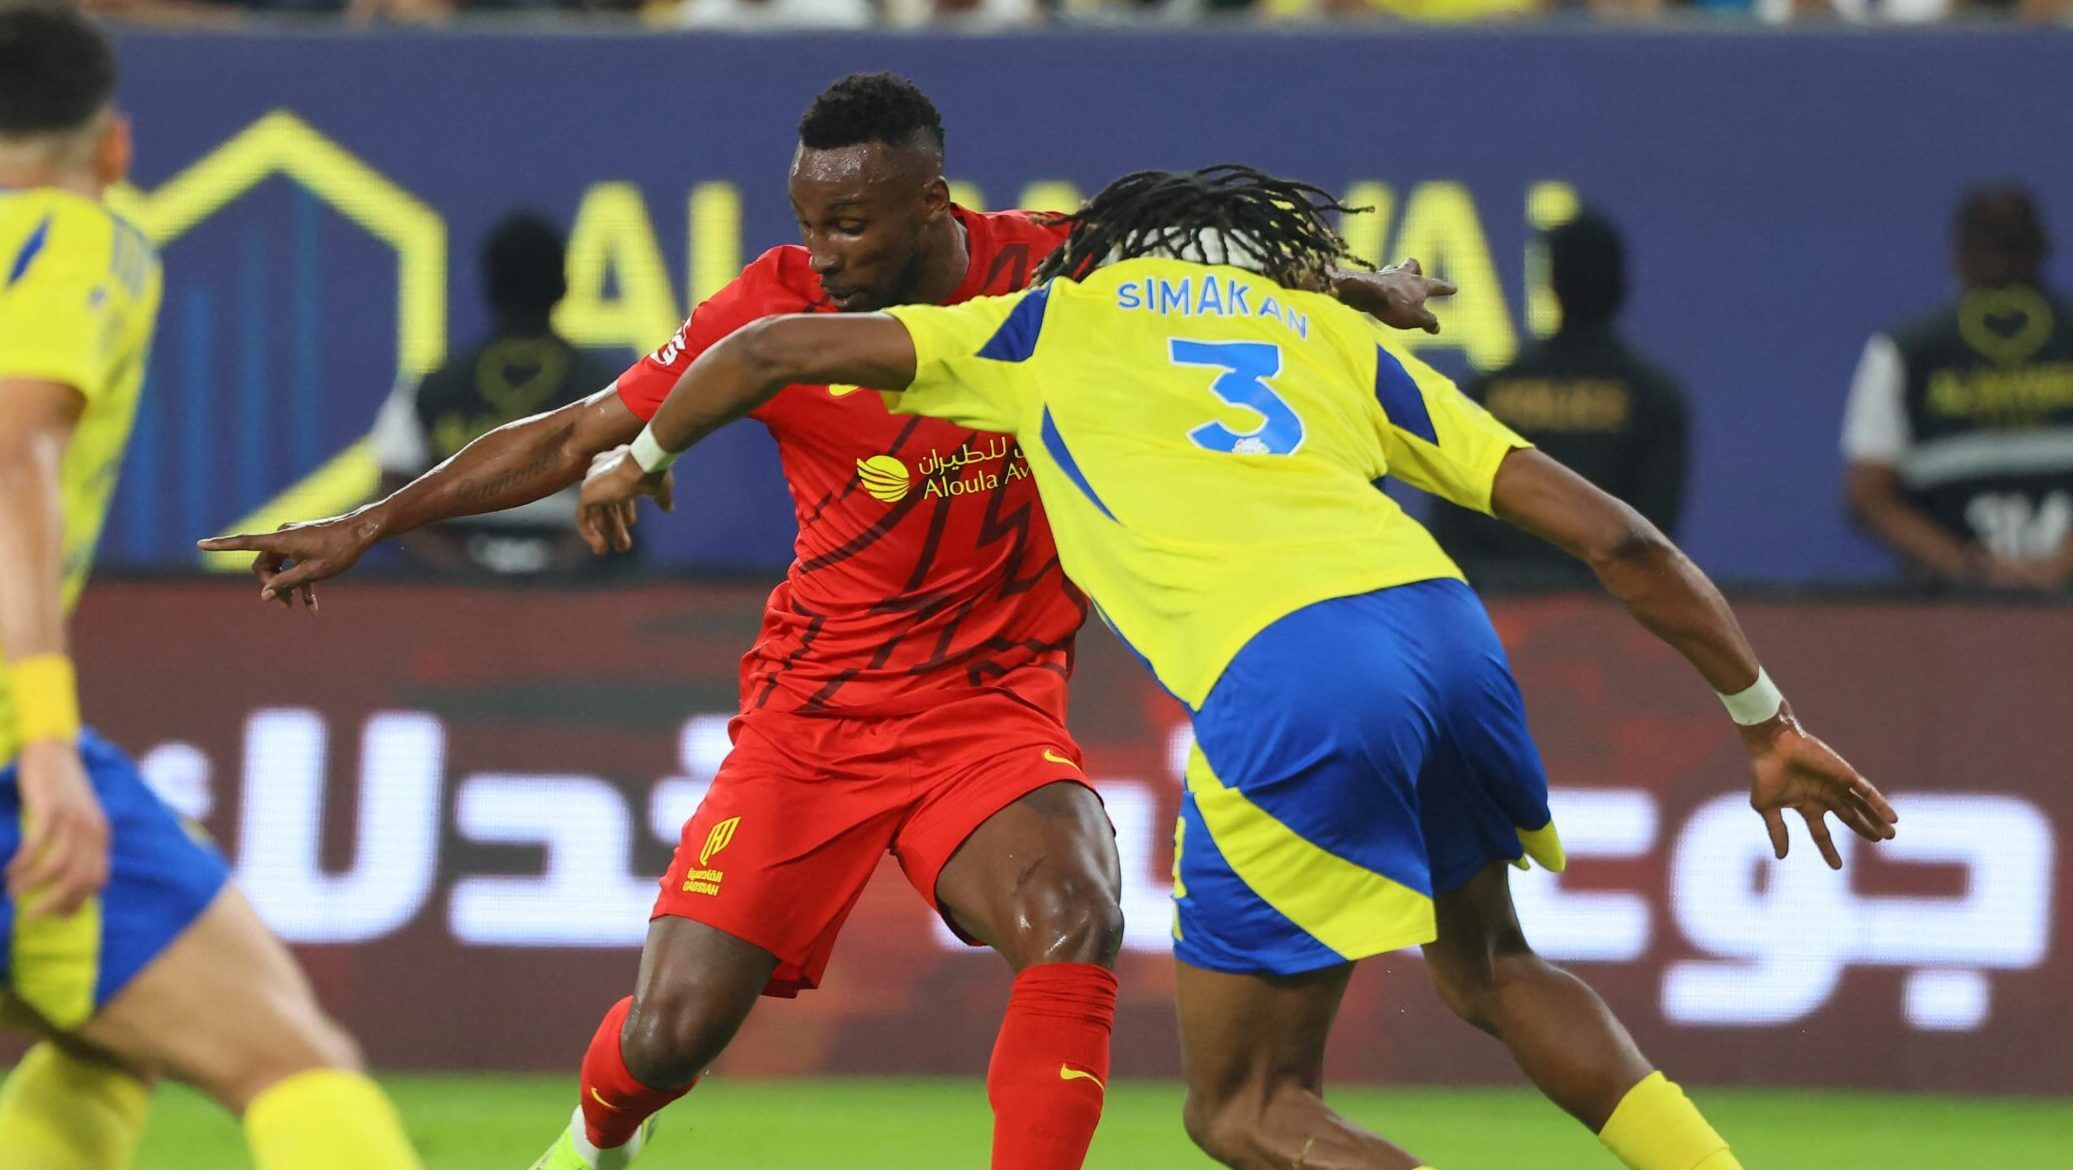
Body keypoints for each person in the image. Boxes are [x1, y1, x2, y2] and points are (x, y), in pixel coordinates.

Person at [196, 76, 1449, 1170]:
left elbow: (1222, 283)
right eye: (807, 222)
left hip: (991, 706)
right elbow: (580, 431)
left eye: (849, 224)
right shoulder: (771, 309)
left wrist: (1361, 286)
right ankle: (596, 1142)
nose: (824, 252)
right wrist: (370, 522)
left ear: (931, 204)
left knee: (1075, 916)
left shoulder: (1058, 270)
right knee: (668, 1036)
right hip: (814, 717)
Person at [579, 164, 1899, 1170]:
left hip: (1295, 674)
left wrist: (639, 455)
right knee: (1494, 967)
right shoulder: (1327, 340)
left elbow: (767, 350)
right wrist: (1762, 720)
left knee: (1243, 1108)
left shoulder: (1046, 326)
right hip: (1444, 635)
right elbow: (1620, 538)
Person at [0, 7, 421, 1169]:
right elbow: (13, 458)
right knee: (287, 1061)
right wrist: (46, 740)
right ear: (114, 148)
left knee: (105, 1040)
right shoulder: (76, 233)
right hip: (10, 752)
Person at [1431, 209, 1688, 590]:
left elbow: (1451, 530)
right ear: (1621, 284)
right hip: (1608, 612)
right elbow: (1649, 541)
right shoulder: (1654, 400)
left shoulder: (1486, 393)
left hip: (1499, 609)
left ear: (1551, 283)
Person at [1842, 185, 2073, 594]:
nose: (2001, 263)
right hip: (1955, 600)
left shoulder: (1904, 349)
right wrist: (1971, 567)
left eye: (2010, 249)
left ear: (1958, 256)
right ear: (2045, 250)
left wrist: (1977, 570)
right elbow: (1868, 495)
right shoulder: (1904, 354)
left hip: (1961, 600)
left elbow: (1867, 494)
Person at [369, 211, 621, 579]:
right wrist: (557, 571)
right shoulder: (602, 387)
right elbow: (631, 482)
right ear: (564, 285)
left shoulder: (436, 386)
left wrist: (460, 572)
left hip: (455, 592)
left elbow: (391, 486)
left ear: (488, 288)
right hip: (572, 591)